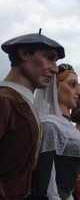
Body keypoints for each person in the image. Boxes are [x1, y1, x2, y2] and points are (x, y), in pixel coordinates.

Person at [0, 31, 65, 199]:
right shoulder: (4, 100)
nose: (55, 69)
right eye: (49, 57)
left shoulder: (26, 104)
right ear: (23, 53)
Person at [29, 64, 80, 199]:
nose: (79, 92)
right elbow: (44, 182)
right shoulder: (50, 126)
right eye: (72, 84)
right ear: (56, 87)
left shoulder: (68, 128)